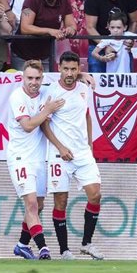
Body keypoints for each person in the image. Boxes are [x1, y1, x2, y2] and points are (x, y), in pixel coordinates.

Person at [41, 51, 103, 260]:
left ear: (78, 69)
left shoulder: (84, 88)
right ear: (59, 68)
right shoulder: (51, 92)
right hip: (59, 155)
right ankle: (64, 250)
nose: (69, 73)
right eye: (65, 68)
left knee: (95, 195)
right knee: (61, 202)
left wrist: (90, 145)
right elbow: (44, 123)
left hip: (83, 153)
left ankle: (87, 243)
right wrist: (60, 147)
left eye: (73, 69)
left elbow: (86, 116)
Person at [7, 59, 62, 260]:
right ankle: (43, 248)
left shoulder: (46, 93)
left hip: (39, 158)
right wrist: (46, 111)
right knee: (30, 204)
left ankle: (22, 244)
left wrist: (83, 75)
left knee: (38, 206)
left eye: (38, 78)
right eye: (30, 78)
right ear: (23, 78)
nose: (34, 82)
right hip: (20, 157)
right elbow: (28, 126)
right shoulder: (17, 97)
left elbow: (65, 80)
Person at [11, 0, 76, 71]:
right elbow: (25, 28)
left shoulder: (64, 1)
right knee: (22, 84)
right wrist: (50, 31)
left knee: (45, 84)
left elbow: (71, 25)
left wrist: (70, 30)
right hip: (22, 54)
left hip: (46, 54)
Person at [84, 0, 137, 73]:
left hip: (122, 46)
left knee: (126, 84)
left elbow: (135, 21)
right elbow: (90, 27)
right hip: (98, 45)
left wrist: (129, 39)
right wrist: (105, 46)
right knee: (97, 84)